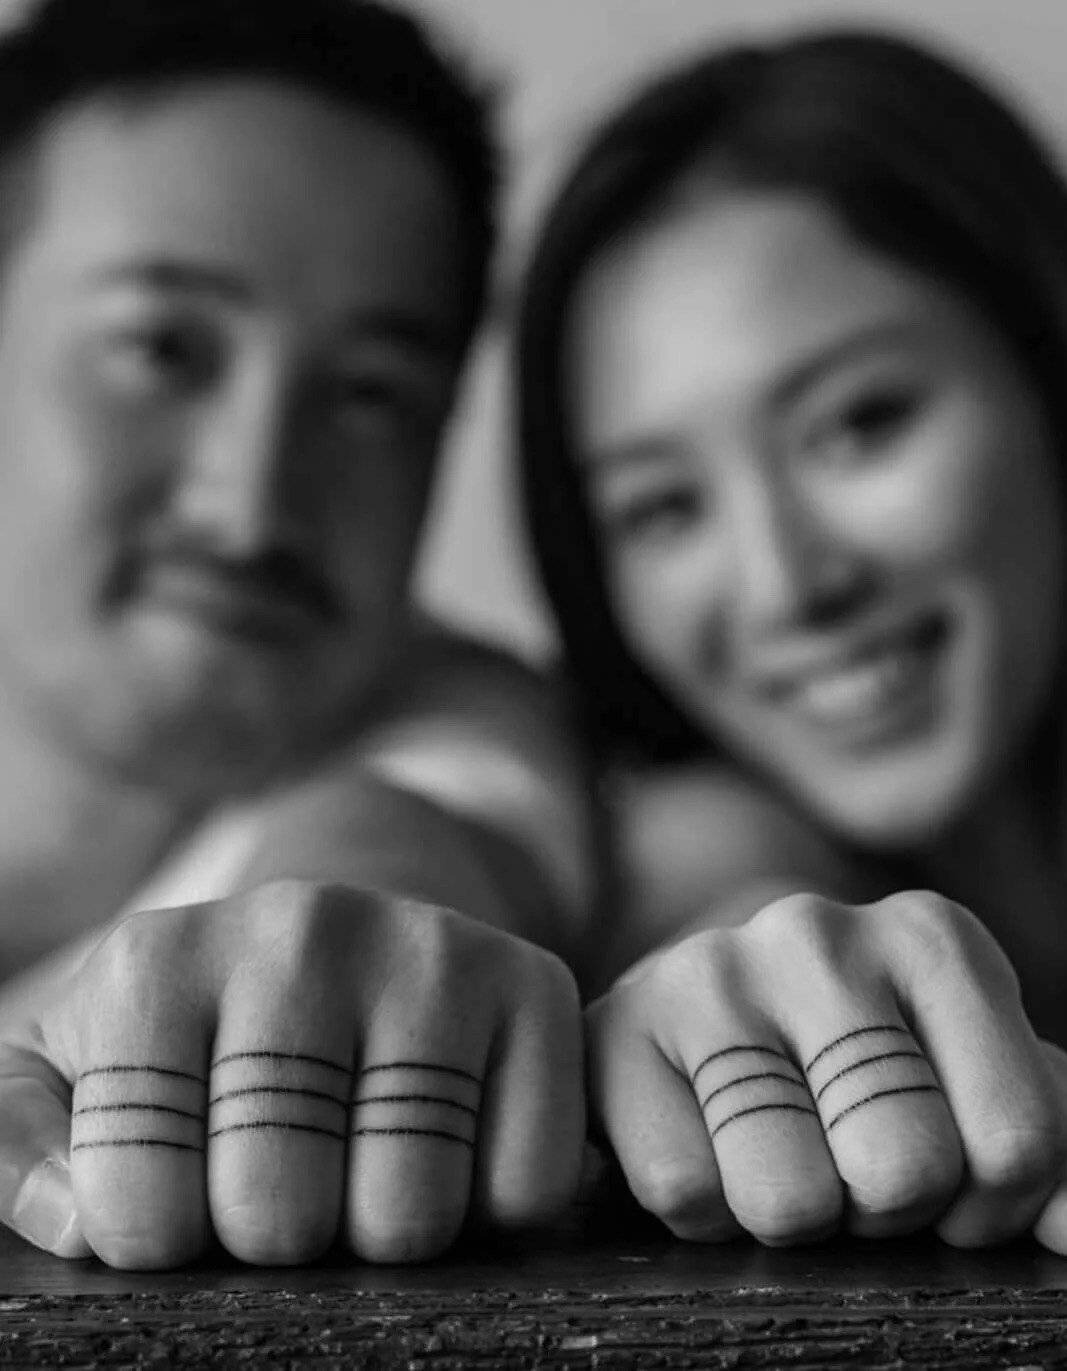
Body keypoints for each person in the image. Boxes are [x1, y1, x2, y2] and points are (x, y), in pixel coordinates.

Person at [513, 30, 1067, 1263]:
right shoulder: (649, 850)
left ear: (1057, 373)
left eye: (860, 423)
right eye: (663, 508)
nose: (787, 586)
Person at [0, 0, 590, 1269]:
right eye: (163, 348)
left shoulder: (463, 721)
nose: (252, 506)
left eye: (372, 394)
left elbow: (422, 839)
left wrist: (358, 918)